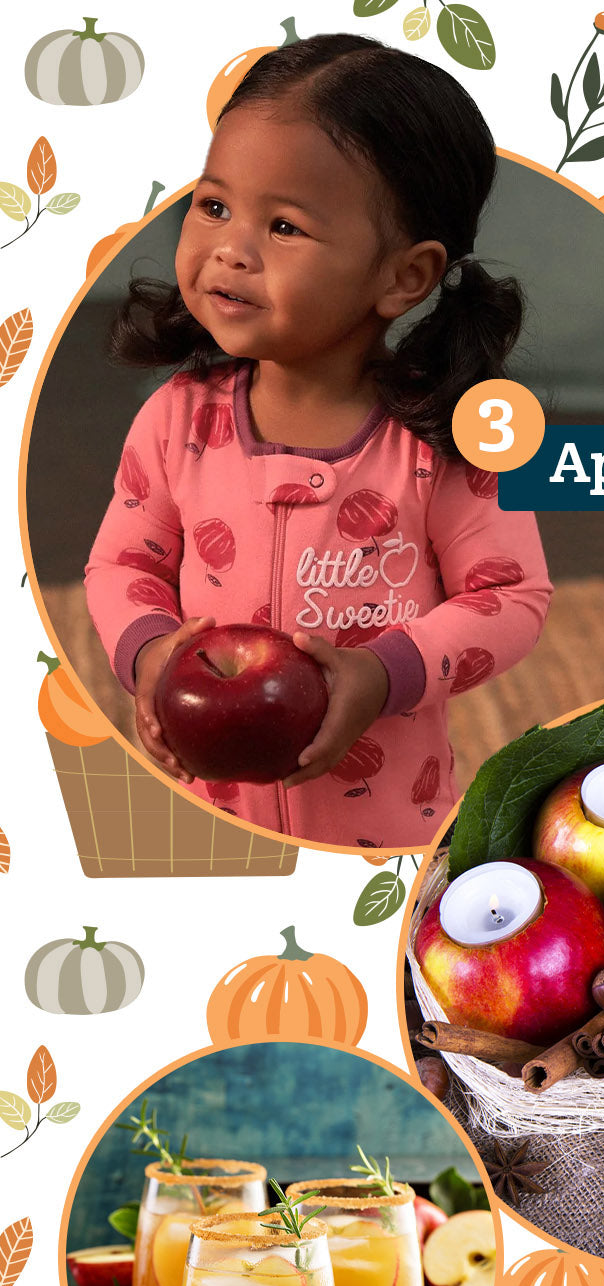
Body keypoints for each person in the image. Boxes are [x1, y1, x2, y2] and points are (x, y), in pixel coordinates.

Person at [85, 32, 551, 846]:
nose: (230, 248)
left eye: (286, 227)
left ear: (402, 276)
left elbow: (510, 599)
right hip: (209, 825)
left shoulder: (443, 440)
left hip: (383, 843)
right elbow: (123, 561)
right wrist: (149, 657)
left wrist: (383, 674)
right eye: (214, 204)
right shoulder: (177, 418)